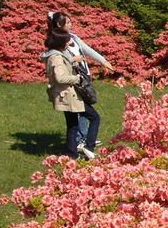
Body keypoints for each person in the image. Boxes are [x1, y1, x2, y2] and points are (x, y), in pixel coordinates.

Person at [46, 12, 114, 145]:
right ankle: (82, 140)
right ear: (60, 24)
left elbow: (87, 50)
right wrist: (73, 59)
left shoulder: (74, 37)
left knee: (83, 107)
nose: (71, 24)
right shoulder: (57, 41)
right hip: (72, 79)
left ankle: (84, 137)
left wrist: (103, 61)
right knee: (80, 109)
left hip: (83, 76)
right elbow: (57, 60)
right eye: (68, 22)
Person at [40, 30, 100, 160]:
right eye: (67, 41)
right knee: (94, 117)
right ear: (60, 42)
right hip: (70, 95)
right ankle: (89, 148)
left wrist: (72, 63)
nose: (69, 43)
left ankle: (71, 154)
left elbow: (61, 68)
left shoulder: (53, 54)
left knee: (72, 125)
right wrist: (76, 78)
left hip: (65, 95)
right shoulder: (56, 56)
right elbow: (60, 77)